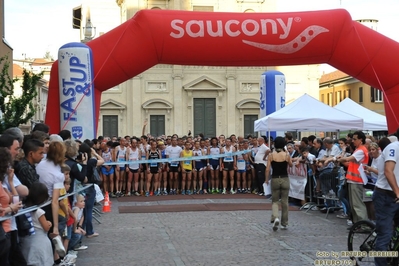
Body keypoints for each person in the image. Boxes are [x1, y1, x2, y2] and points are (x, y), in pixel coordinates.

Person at [36, 141, 67, 264]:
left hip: (35, 203)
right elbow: (55, 201)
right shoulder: (58, 175)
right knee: (53, 233)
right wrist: (55, 226)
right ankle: (54, 259)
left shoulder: (40, 164)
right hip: (47, 205)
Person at [373, 128, 399, 266]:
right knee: (385, 235)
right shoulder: (393, 148)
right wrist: (397, 192)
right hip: (386, 195)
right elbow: (389, 171)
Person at [338, 130, 369, 227]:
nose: (353, 141)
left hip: (357, 181)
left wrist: (336, 159)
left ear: (361, 139)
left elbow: (348, 159)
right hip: (353, 180)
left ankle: (363, 224)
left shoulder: (361, 150)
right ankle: (358, 224)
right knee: (354, 204)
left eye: (355, 139)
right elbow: (350, 162)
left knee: (357, 204)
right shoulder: (358, 149)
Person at [19, 182, 54, 266]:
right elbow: (46, 227)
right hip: (40, 241)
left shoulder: (24, 208)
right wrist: (49, 223)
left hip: (27, 240)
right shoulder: (39, 211)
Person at [0, 147, 22, 266]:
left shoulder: (2, 183)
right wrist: (10, 208)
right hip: (4, 230)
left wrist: (11, 182)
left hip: (9, 229)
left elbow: (15, 199)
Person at [265, 136, 293, 231]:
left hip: (275, 178)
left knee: (275, 200)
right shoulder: (286, 155)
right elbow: (291, 164)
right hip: (285, 178)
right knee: (285, 201)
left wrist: (266, 179)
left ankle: (276, 217)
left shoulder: (271, 155)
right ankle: (284, 223)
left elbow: (268, 168)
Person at [79, 143, 104, 238]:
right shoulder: (91, 161)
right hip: (89, 186)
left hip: (80, 187)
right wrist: (95, 154)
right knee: (88, 210)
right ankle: (89, 231)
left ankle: (82, 229)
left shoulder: (79, 162)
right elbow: (102, 161)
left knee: (83, 210)